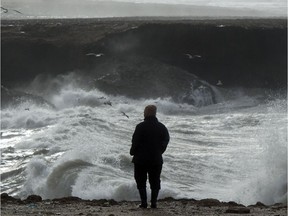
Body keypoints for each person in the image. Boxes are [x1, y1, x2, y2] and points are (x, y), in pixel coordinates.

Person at [130, 105, 170, 208]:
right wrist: (160, 151)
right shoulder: (162, 127)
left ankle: (144, 203)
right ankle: (154, 203)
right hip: (156, 159)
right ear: (155, 113)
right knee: (155, 181)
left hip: (140, 159)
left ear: (146, 113)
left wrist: (132, 152)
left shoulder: (140, 126)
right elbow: (166, 140)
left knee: (140, 181)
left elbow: (135, 141)